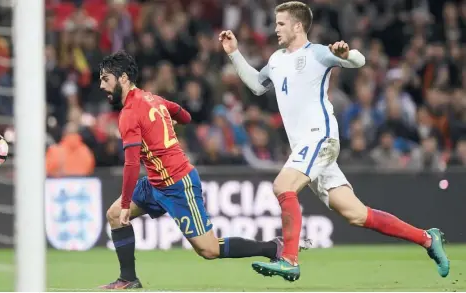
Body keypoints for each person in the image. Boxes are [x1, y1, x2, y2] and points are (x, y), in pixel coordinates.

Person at [219, 1, 449, 282]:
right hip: (306, 147)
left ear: (297, 25)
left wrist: (347, 53)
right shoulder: (276, 60)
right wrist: (234, 54)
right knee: (356, 214)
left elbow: (360, 61)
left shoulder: (317, 53)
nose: (275, 28)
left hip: (320, 137)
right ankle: (427, 238)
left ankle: (289, 259)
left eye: (280, 23)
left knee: (282, 185)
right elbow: (256, 86)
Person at [97, 51, 283, 289]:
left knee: (208, 249)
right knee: (114, 216)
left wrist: (126, 204)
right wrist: (169, 122)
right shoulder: (153, 99)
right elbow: (184, 115)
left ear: (122, 78)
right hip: (155, 182)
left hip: (177, 183)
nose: (102, 85)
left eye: (105, 79)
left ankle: (271, 248)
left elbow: (132, 164)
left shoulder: (129, 113)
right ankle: (128, 279)